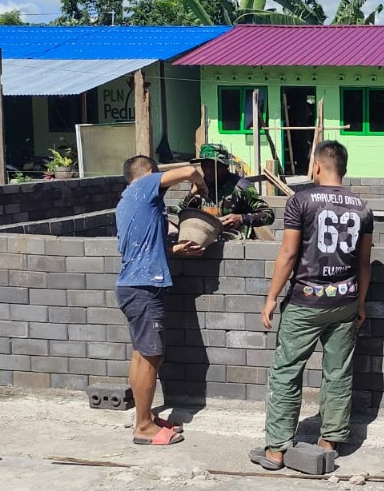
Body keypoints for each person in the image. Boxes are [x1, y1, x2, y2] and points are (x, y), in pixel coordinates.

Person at [250, 140, 373, 471]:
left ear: (318, 165)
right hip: (345, 300)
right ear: (342, 168)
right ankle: (329, 441)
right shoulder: (362, 207)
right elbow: (365, 263)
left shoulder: (300, 201)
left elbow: (289, 254)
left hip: (306, 301)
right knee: (338, 372)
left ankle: (276, 449)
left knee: (287, 371)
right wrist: (361, 303)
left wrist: (272, 297)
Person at [115, 155, 207, 446]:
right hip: (143, 288)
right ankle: (143, 427)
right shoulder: (142, 188)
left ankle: (146, 418)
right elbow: (190, 170)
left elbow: (147, 246)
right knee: (150, 359)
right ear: (150, 174)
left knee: (143, 356)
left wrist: (177, 248)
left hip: (135, 286)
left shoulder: (132, 203)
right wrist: (200, 186)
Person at [170, 144, 275, 240]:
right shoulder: (200, 186)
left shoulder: (242, 187)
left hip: (236, 244)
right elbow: (179, 212)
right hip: (205, 241)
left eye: (213, 166)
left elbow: (268, 215)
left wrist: (242, 218)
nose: (208, 171)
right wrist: (191, 195)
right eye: (205, 166)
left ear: (225, 166)